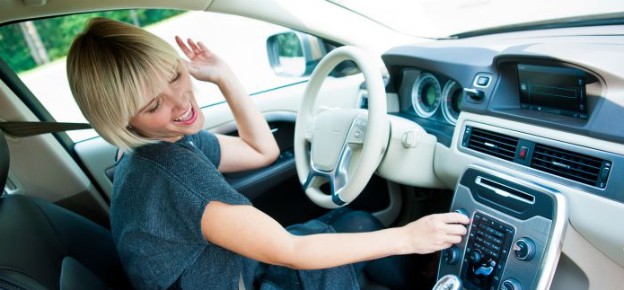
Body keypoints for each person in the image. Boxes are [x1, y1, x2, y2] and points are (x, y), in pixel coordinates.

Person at [66, 17, 469, 290]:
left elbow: (261, 151)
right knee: (359, 245)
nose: (180, 102)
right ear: (122, 119)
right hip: (245, 280)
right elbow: (292, 253)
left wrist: (224, 76)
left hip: (238, 268)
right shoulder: (171, 172)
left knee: (360, 223)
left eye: (174, 75)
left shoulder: (160, 147)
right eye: (153, 105)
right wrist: (409, 238)